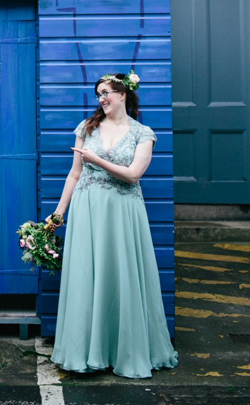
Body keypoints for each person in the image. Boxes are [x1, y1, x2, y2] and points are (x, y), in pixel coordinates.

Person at [46, 70, 178, 379]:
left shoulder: (142, 133)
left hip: (122, 212)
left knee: (120, 275)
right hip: (88, 209)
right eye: (98, 94)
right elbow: (75, 174)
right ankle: (85, 352)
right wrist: (59, 213)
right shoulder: (87, 127)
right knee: (87, 276)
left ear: (123, 94)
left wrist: (97, 159)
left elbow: (132, 175)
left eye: (106, 92)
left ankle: (125, 352)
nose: (101, 98)